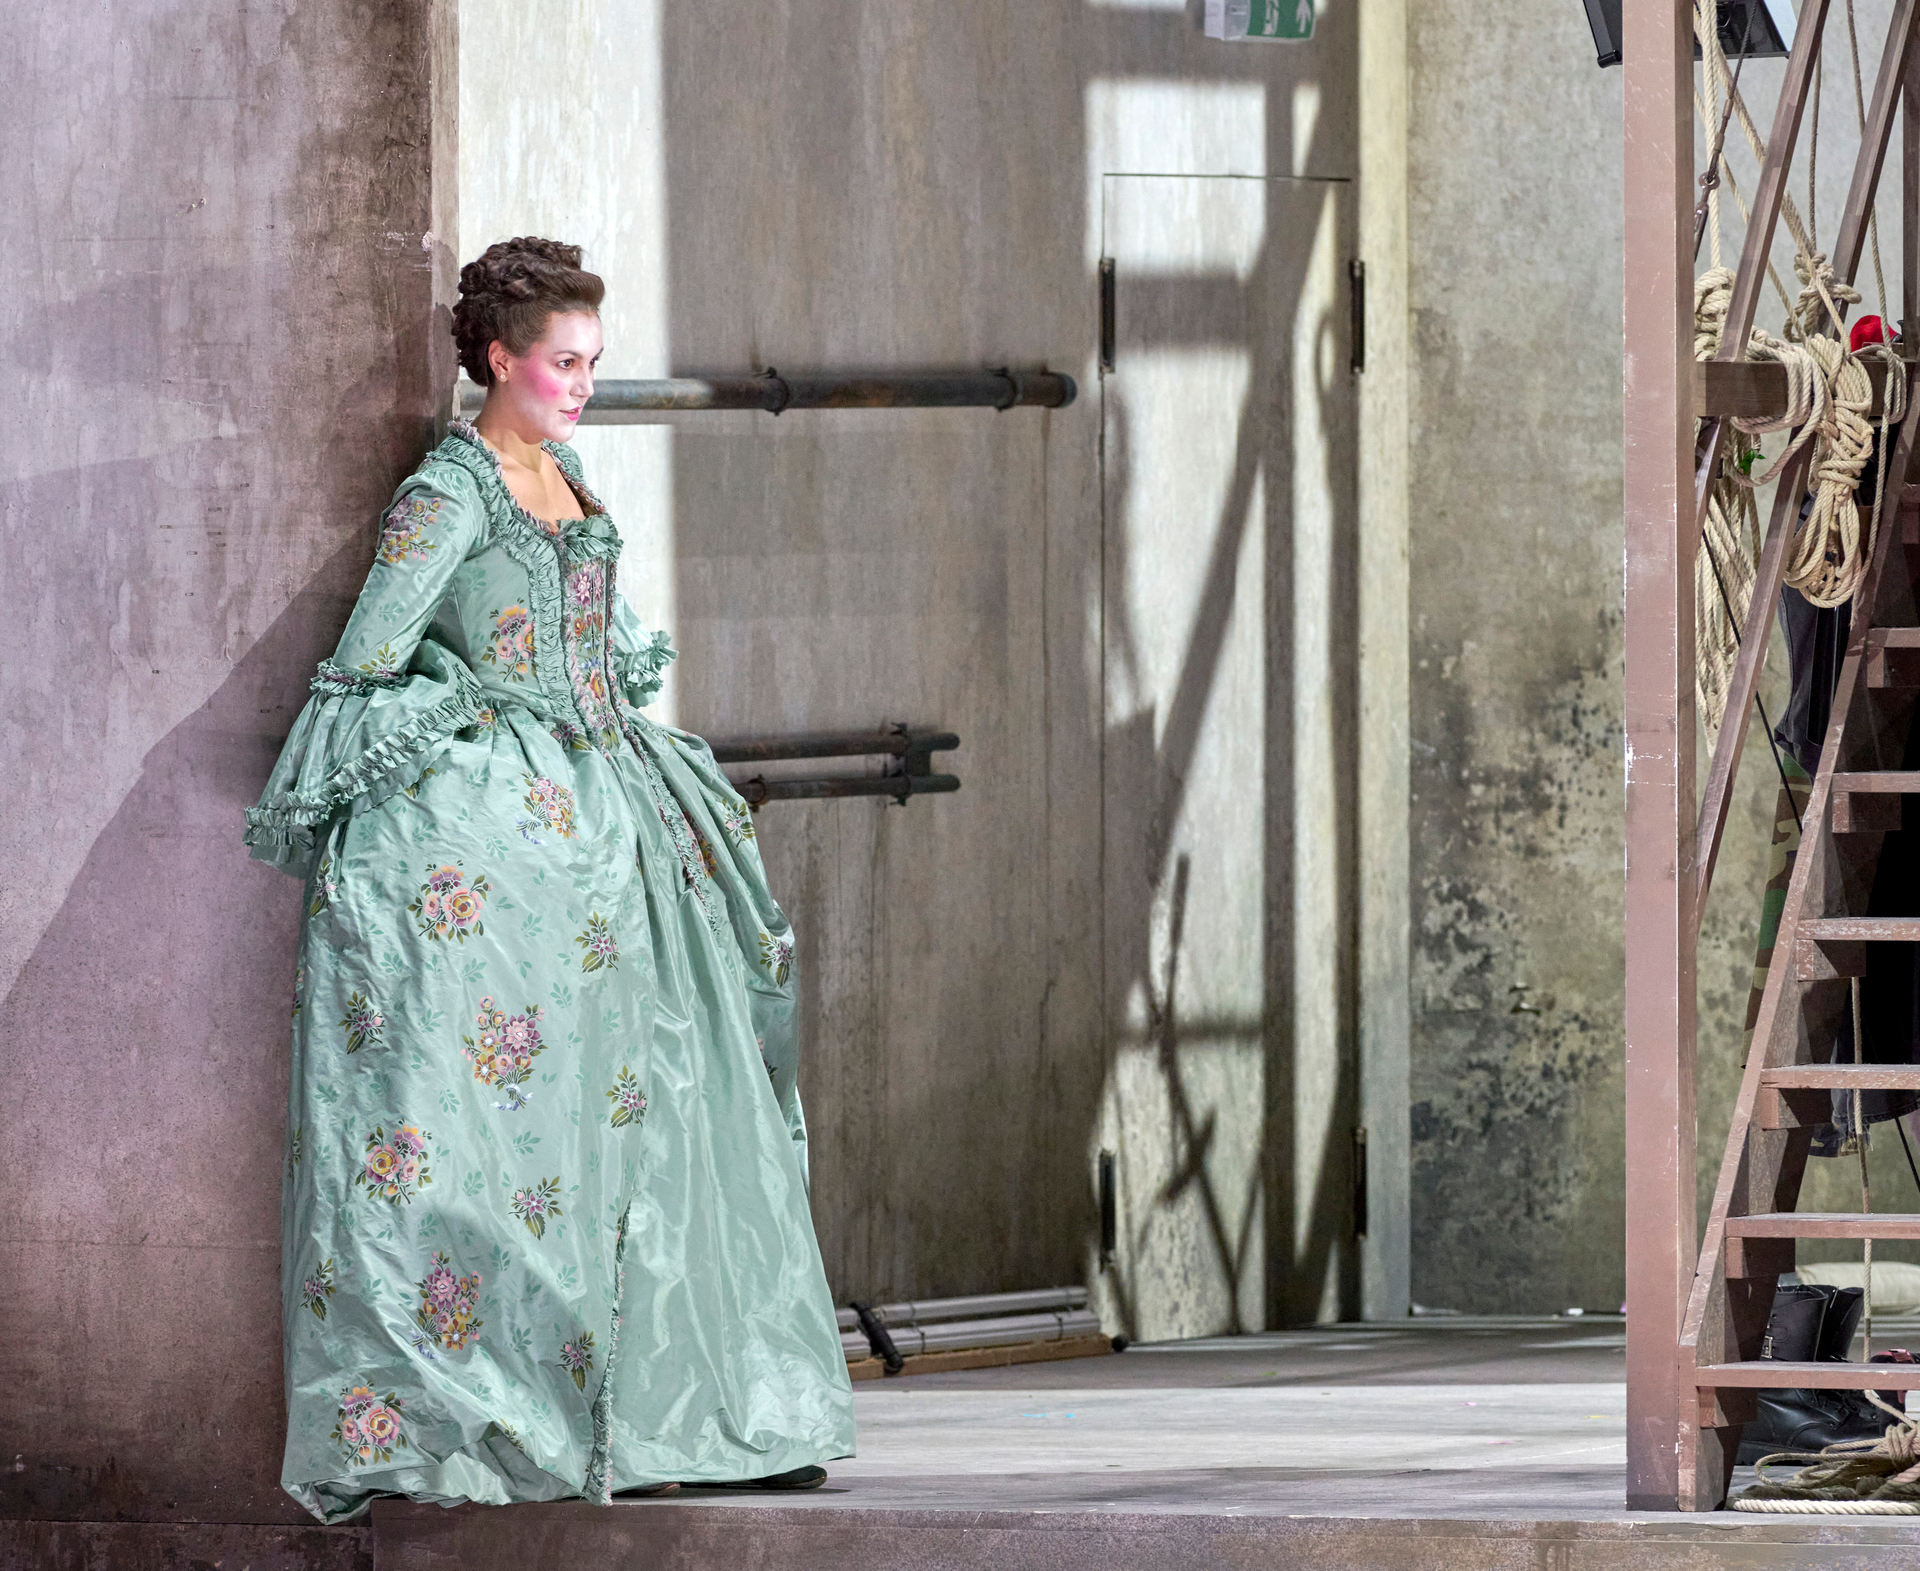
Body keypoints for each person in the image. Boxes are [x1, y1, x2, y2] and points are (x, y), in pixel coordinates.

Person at [245, 237, 854, 1522]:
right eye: (562, 363)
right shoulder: (449, 492)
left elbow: (598, 649)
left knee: (682, 1102)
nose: (581, 384)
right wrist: (477, 737)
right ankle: (577, 1416)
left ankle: (701, 1408)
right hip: (529, 814)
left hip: (620, 803)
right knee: (565, 1124)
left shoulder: (562, 471)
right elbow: (371, 656)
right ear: (497, 358)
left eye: (590, 363)